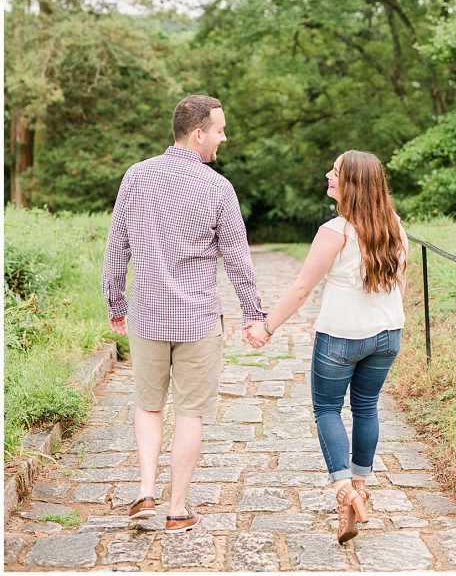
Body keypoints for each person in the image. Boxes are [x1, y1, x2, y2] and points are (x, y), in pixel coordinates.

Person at [102, 95, 267, 533]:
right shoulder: (218, 188)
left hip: (147, 316)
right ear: (199, 134)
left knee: (148, 405)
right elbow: (237, 257)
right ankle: (177, 509)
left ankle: (144, 491)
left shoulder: (136, 177)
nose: (223, 137)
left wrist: (115, 302)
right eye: (219, 130)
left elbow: (117, 245)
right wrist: (253, 312)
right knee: (189, 413)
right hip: (196, 321)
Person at [246, 149, 408, 545]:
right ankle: (360, 488)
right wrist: (393, 322)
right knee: (366, 406)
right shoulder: (395, 226)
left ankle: (344, 490)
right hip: (388, 334)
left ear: (351, 184)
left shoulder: (334, 231)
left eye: (335, 172)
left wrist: (266, 326)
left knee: (327, 410)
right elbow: (402, 281)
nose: (328, 176)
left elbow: (302, 288)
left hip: (341, 337)